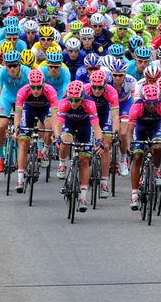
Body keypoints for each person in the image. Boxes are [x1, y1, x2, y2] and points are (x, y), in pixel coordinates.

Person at [54, 81, 105, 212]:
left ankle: (83, 197)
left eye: (77, 100)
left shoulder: (90, 103)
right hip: (69, 124)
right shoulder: (64, 102)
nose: (74, 103)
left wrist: (99, 141)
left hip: (85, 126)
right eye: (71, 100)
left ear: (82, 97)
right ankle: (62, 163)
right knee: (65, 140)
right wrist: (57, 137)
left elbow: (96, 126)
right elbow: (58, 124)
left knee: (84, 160)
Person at [127, 84, 161, 210]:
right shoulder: (137, 106)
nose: (152, 106)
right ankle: (134, 194)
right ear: (143, 100)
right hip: (140, 129)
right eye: (148, 103)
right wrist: (128, 145)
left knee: (158, 147)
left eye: (154, 102)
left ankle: (157, 169)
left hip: (156, 128)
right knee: (137, 157)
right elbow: (130, 131)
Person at [12, 70, 59, 193]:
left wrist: (56, 132)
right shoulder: (23, 91)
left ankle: (45, 150)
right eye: (33, 87)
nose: (36, 90)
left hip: (45, 110)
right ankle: (20, 179)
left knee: (49, 126)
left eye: (39, 87)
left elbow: (55, 115)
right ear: (29, 85)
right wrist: (16, 129)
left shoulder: (50, 91)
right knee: (23, 142)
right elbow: (18, 112)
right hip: (29, 110)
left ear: (43, 84)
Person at [0, 51, 31, 173]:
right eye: (9, 66)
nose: (12, 68)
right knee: (1, 125)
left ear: (20, 65)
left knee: (23, 129)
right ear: (5, 65)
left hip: (23, 99)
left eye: (15, 65)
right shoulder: (2, 72)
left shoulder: (27, 72)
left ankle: (23, 156)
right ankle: (0, 157)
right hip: (7, 98)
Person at [83, 70, 120, 197]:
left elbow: (115, 115)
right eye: (94, 87)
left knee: (106, 146)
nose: (97, 90)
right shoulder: (85, 89)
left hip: (104, 116)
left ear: (105, 85)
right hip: (87, 116)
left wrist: (115, 131)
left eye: (100, 87)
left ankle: (104, 182)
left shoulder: (111, 91)